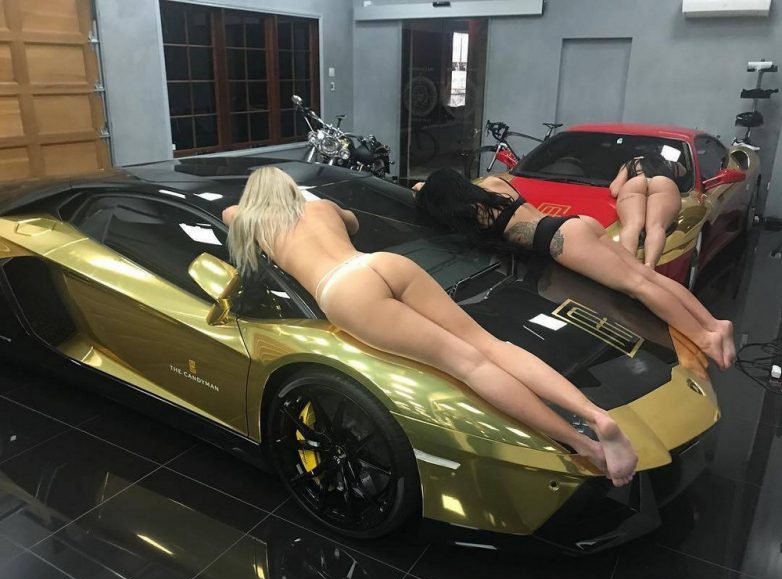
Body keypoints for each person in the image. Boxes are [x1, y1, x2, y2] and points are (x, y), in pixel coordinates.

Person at [223, 166, 638, 487]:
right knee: (490, 346)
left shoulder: (251, 220)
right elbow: (352, 223)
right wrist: (304, 199)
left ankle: (584, 445)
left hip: (343, 291)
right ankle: (594, 415)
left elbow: (229, 212)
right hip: (381, 264)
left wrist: (259, 205)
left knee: (469, 365)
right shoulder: (319, 209)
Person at [413, 168, 734, 370]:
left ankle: (704, 339)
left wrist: (424, 193)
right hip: (575, 223)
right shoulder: (494, 184)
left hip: (560, 240)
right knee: (647, 276)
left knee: (638, 287)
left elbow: (428, 198)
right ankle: (714, 325)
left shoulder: (470, 213)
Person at [608, 153, 687, 268]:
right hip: (663, 183)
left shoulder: (632, 163)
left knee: (631, 225)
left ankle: (627, 265)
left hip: (636, 182)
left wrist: (629, 165)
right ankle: (649, 266)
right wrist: (672, 163)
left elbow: (615, 190)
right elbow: (684, 172)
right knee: (656, 227)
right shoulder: (670, 164)